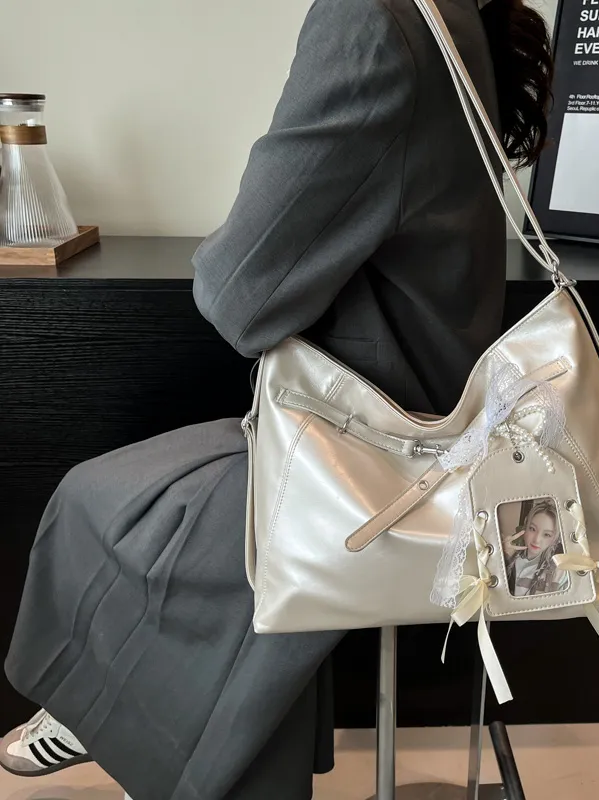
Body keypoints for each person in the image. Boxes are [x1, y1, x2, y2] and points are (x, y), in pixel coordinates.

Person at [2, 0, 553, 797]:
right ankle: (108, 709)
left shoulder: (371, 22)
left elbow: (237, 294)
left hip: (375, 439)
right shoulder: (448, 14)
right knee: (155, 509)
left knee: (104, 504)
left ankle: (116, 714)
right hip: (423, 411)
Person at [504, 498, 568, 597]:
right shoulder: (509, 559)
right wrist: (502, 558)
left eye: (546, 534)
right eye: (532, 529)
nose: (537, 540)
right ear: (525, 526)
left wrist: (554, 583)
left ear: (555, 539)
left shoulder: (559, 571)